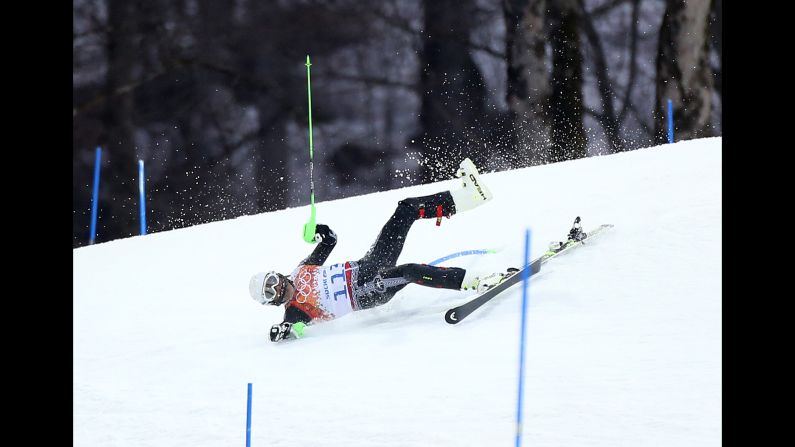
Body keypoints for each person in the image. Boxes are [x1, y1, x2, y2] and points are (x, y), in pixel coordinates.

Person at [249, 158, 509, 342]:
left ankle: (469, 197)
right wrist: (282, 331)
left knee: (405, 209)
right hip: (366, 290)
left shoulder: (301, 270)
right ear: (270, 302)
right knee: (408, 271)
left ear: (277, 274)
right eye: (270, 292)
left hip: (370, 263)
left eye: (272, 281)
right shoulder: (296, 310)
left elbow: (330, 241)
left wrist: (321, 231)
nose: (278, 288)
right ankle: (477, 282)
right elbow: (290, 327)